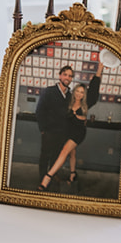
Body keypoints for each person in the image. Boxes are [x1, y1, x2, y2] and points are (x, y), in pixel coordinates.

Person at [40, 58, 102, 190]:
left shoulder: (86, 103)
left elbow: (94, 89)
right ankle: (73, 174)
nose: (80, 94)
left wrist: (99, 70)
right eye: (78, 91)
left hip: (77, 133)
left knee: (63, 152)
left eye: (82, 92)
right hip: (64, 131)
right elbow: (47, 110)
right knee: (71, 154)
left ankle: (47, 177)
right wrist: (45, 128)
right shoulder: (68, 100)